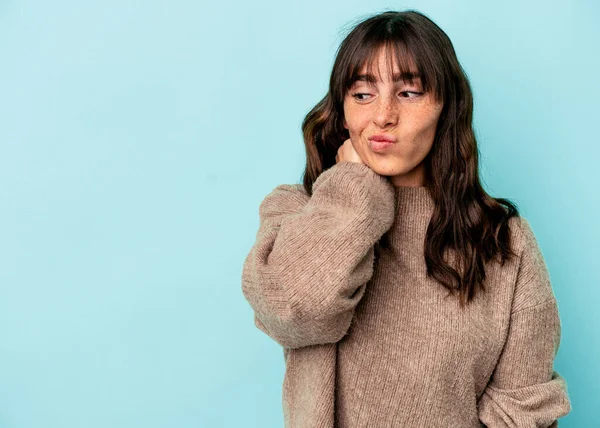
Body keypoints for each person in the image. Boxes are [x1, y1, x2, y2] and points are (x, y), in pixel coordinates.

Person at [241, 9, 571, 428]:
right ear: (342, 112)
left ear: (445, 107)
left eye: (409, 92)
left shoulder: (505, 242)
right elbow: (297, 309)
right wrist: (353, 189)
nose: (382, 116)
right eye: (362, 94)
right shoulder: (295, 214)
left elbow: (522, 414)